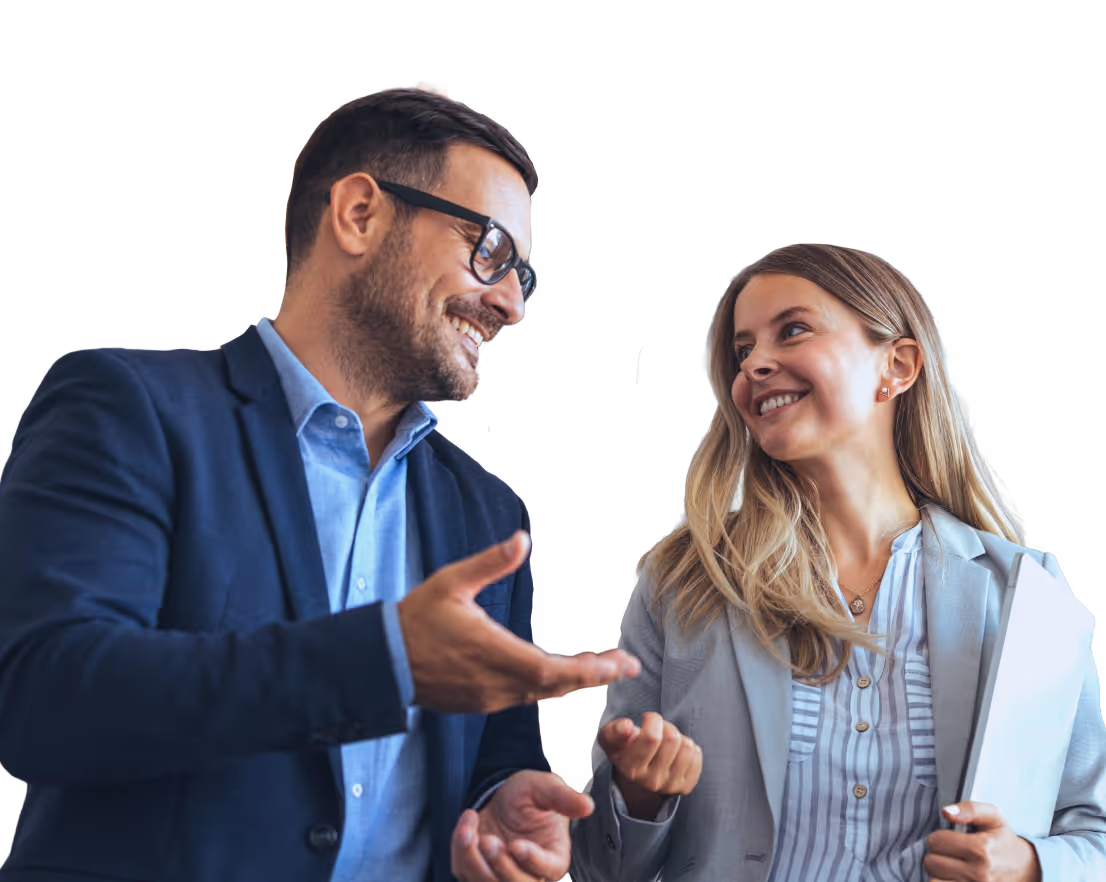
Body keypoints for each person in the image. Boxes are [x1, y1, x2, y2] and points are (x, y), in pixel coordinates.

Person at [0, 81, 640, 882]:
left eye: (524, 274)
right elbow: (48, 704)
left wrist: (503, 798)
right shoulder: (129, 409)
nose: (511, 302)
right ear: (360, 213)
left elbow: (492, 748)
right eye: (489, 251)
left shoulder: (488, 511)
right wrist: (380, 660)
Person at [568, 244, 1106, 881]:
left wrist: (1031, 866)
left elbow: (1092, 831)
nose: (756, 365)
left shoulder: (1023, 591)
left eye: (791, 330)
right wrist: (640, 798)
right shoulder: (683, 582)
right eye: (743, 352)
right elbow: (598, 865)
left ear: (897, 365)